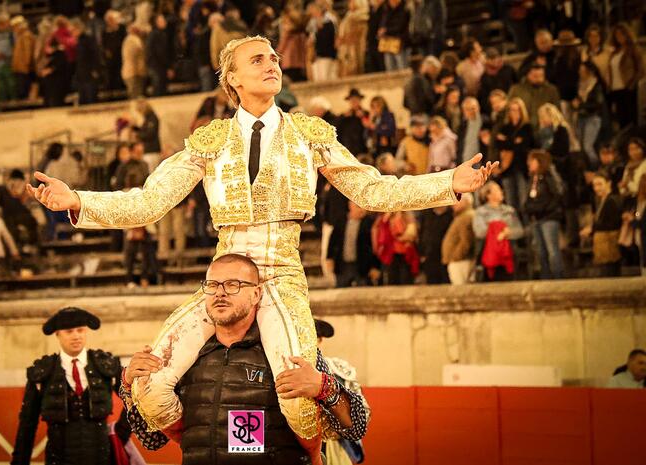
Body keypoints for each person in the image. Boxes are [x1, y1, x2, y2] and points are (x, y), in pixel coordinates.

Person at [28, 36, 495, 463]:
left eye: (274, 57)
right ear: (231, 77)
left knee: (295, 397)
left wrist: (446, 183)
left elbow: (370, 190)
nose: (272, 63)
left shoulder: (310, 134)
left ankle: (314, 458)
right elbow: (150, 201)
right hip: (222, 279)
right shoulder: (210, 141)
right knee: (147, 385)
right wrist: (78, 202)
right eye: (258, 59)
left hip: (282, 274)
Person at [122, 254, 370, 464]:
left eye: (233, 284)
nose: (220, 293)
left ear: (256, 294)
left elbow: (356, 426)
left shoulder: (285, 351)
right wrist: (129, 387)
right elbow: (152, 440)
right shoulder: (185, 359)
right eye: (212, 285)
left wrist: (324, 388)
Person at [11, 307, 131, 465]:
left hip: (100, 456)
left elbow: (133, 399)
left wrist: (120, 433)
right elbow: (27, 423)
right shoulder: (42, 372)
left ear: (86, 331)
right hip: (59, 458)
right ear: (57, 334)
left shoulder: (106, 365)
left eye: (80, 330)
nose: (76, 336)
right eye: (69, 331)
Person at [523, 150, 564, 279]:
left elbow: (557, 195)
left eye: (532, 160)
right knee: (540, 252)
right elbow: (529, 199)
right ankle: (545, 279)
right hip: (535, 219)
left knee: (552, 251)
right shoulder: (531, 179)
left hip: (549, 218)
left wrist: (543, 209)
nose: (529, 163)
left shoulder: (549, 176)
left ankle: (558, 279)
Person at [473, 181, 524, 281]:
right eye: (497, 190)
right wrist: (497, 228)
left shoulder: (509, 211)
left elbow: (519, 231)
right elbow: (479, 232)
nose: (502, 192)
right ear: (488, 195)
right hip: (488, 255)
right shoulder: (481, 212)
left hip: (508, 254)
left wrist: (507, 233)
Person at [495, 97, 535, 211]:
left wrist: (507, 141)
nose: (514, 112)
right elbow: (499, 144)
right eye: (512, 110)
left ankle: (526, 226)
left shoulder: (526, 127)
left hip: (521, 167)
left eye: (517, 110)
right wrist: (514, 142)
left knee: (523, 200)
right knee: (510, 202)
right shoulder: (505, 127)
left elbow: (523, 146)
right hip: (507, 169)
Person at [581, 172, 623, 277]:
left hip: (609, 244)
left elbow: (613, 223)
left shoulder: (612, 200)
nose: (596, 188)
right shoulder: (601, 200)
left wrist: (592, 229)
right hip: (603, 244)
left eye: (600, 184)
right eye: (594, 185)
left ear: (608, 183)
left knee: (610, 274)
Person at [328, 201, 379, 287]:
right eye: (358, 207)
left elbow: (374, 246)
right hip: (343, 265)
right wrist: (329, 258)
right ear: (350, 206)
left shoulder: (369, 223)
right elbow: (333, 241)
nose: (361, 210)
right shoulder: (341, 221)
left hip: (363, 266)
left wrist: (375, 266)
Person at [607, 23, 644, 130]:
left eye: (622, 34)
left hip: (628, 89)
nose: (619, 37)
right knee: (620, 121)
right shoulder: (614, 53)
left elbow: (640, 70)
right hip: (615, 90)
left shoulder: (633, 50)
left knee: (631, 121)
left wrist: (631, 85)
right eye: (617, 35)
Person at [508, 64, 560, 129]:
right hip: (522, 129)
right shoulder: (516, 90)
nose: (539, 79)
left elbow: (557, 111)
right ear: (528, 75)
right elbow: (509, 109)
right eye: (535, 76)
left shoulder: (551, 90)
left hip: (545, 128)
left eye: (541, 75)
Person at [442, 193, 475, 284]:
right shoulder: (461, 216)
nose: (454, 204)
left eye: (458, 200)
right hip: (458, 260)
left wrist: (456, 256)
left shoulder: (466, 216)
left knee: (461, 289)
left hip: (460, 261)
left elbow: (466, 240)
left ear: (467, 202)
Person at [378, 0, 409, 71]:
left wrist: (386, 30)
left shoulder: (404, 9)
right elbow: (383, 23)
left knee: (402, 67)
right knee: (390, 67)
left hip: (400, 43)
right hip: (387, 43)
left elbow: (400, 26)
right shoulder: (386, 10)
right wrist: (381, 30)